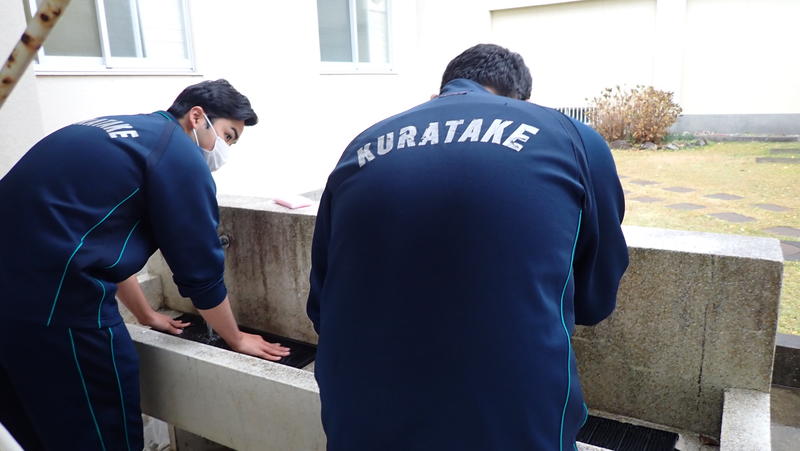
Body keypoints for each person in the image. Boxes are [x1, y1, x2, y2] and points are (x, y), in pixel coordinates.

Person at [307, 44, 629, 450]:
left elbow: (322, 303)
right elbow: (594, 300)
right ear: (518, 97)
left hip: (357, 414)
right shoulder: (571, 138)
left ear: (443, 89)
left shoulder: (361, 145)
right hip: (508, 422)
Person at [0, 79, 290, 451]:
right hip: (56, 303)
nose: (225, 150)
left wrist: (146, 314)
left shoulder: (121, 131)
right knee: (104, 428)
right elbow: (199, 269)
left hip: (14, 298)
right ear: (197, 117)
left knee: (31, 432)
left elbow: (98, 240)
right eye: (227, 136)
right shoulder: (178, 155)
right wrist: (235, 338)